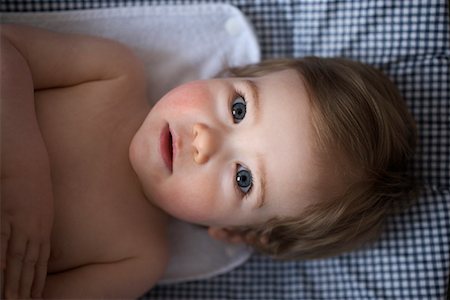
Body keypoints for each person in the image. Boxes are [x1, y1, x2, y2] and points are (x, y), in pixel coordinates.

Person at [0, 24, 417, 299]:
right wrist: (22, 171)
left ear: (237, 233)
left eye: (243, 179)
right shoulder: (110, 74)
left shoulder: (134, 260)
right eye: (238, 109)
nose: (205, 142)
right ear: (234, 73)